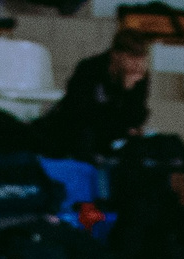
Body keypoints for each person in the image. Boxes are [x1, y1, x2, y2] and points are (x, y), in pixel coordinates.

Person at [33, 28, 152, 161]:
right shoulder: (89, 70)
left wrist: (128, 91)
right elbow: (79, 112)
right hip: (78, 132)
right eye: (132, 59)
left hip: (111, 135)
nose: (137, 66)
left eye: (141, 60)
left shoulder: (138, 77)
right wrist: (118, 122)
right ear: (116, 55)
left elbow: (136, 116)